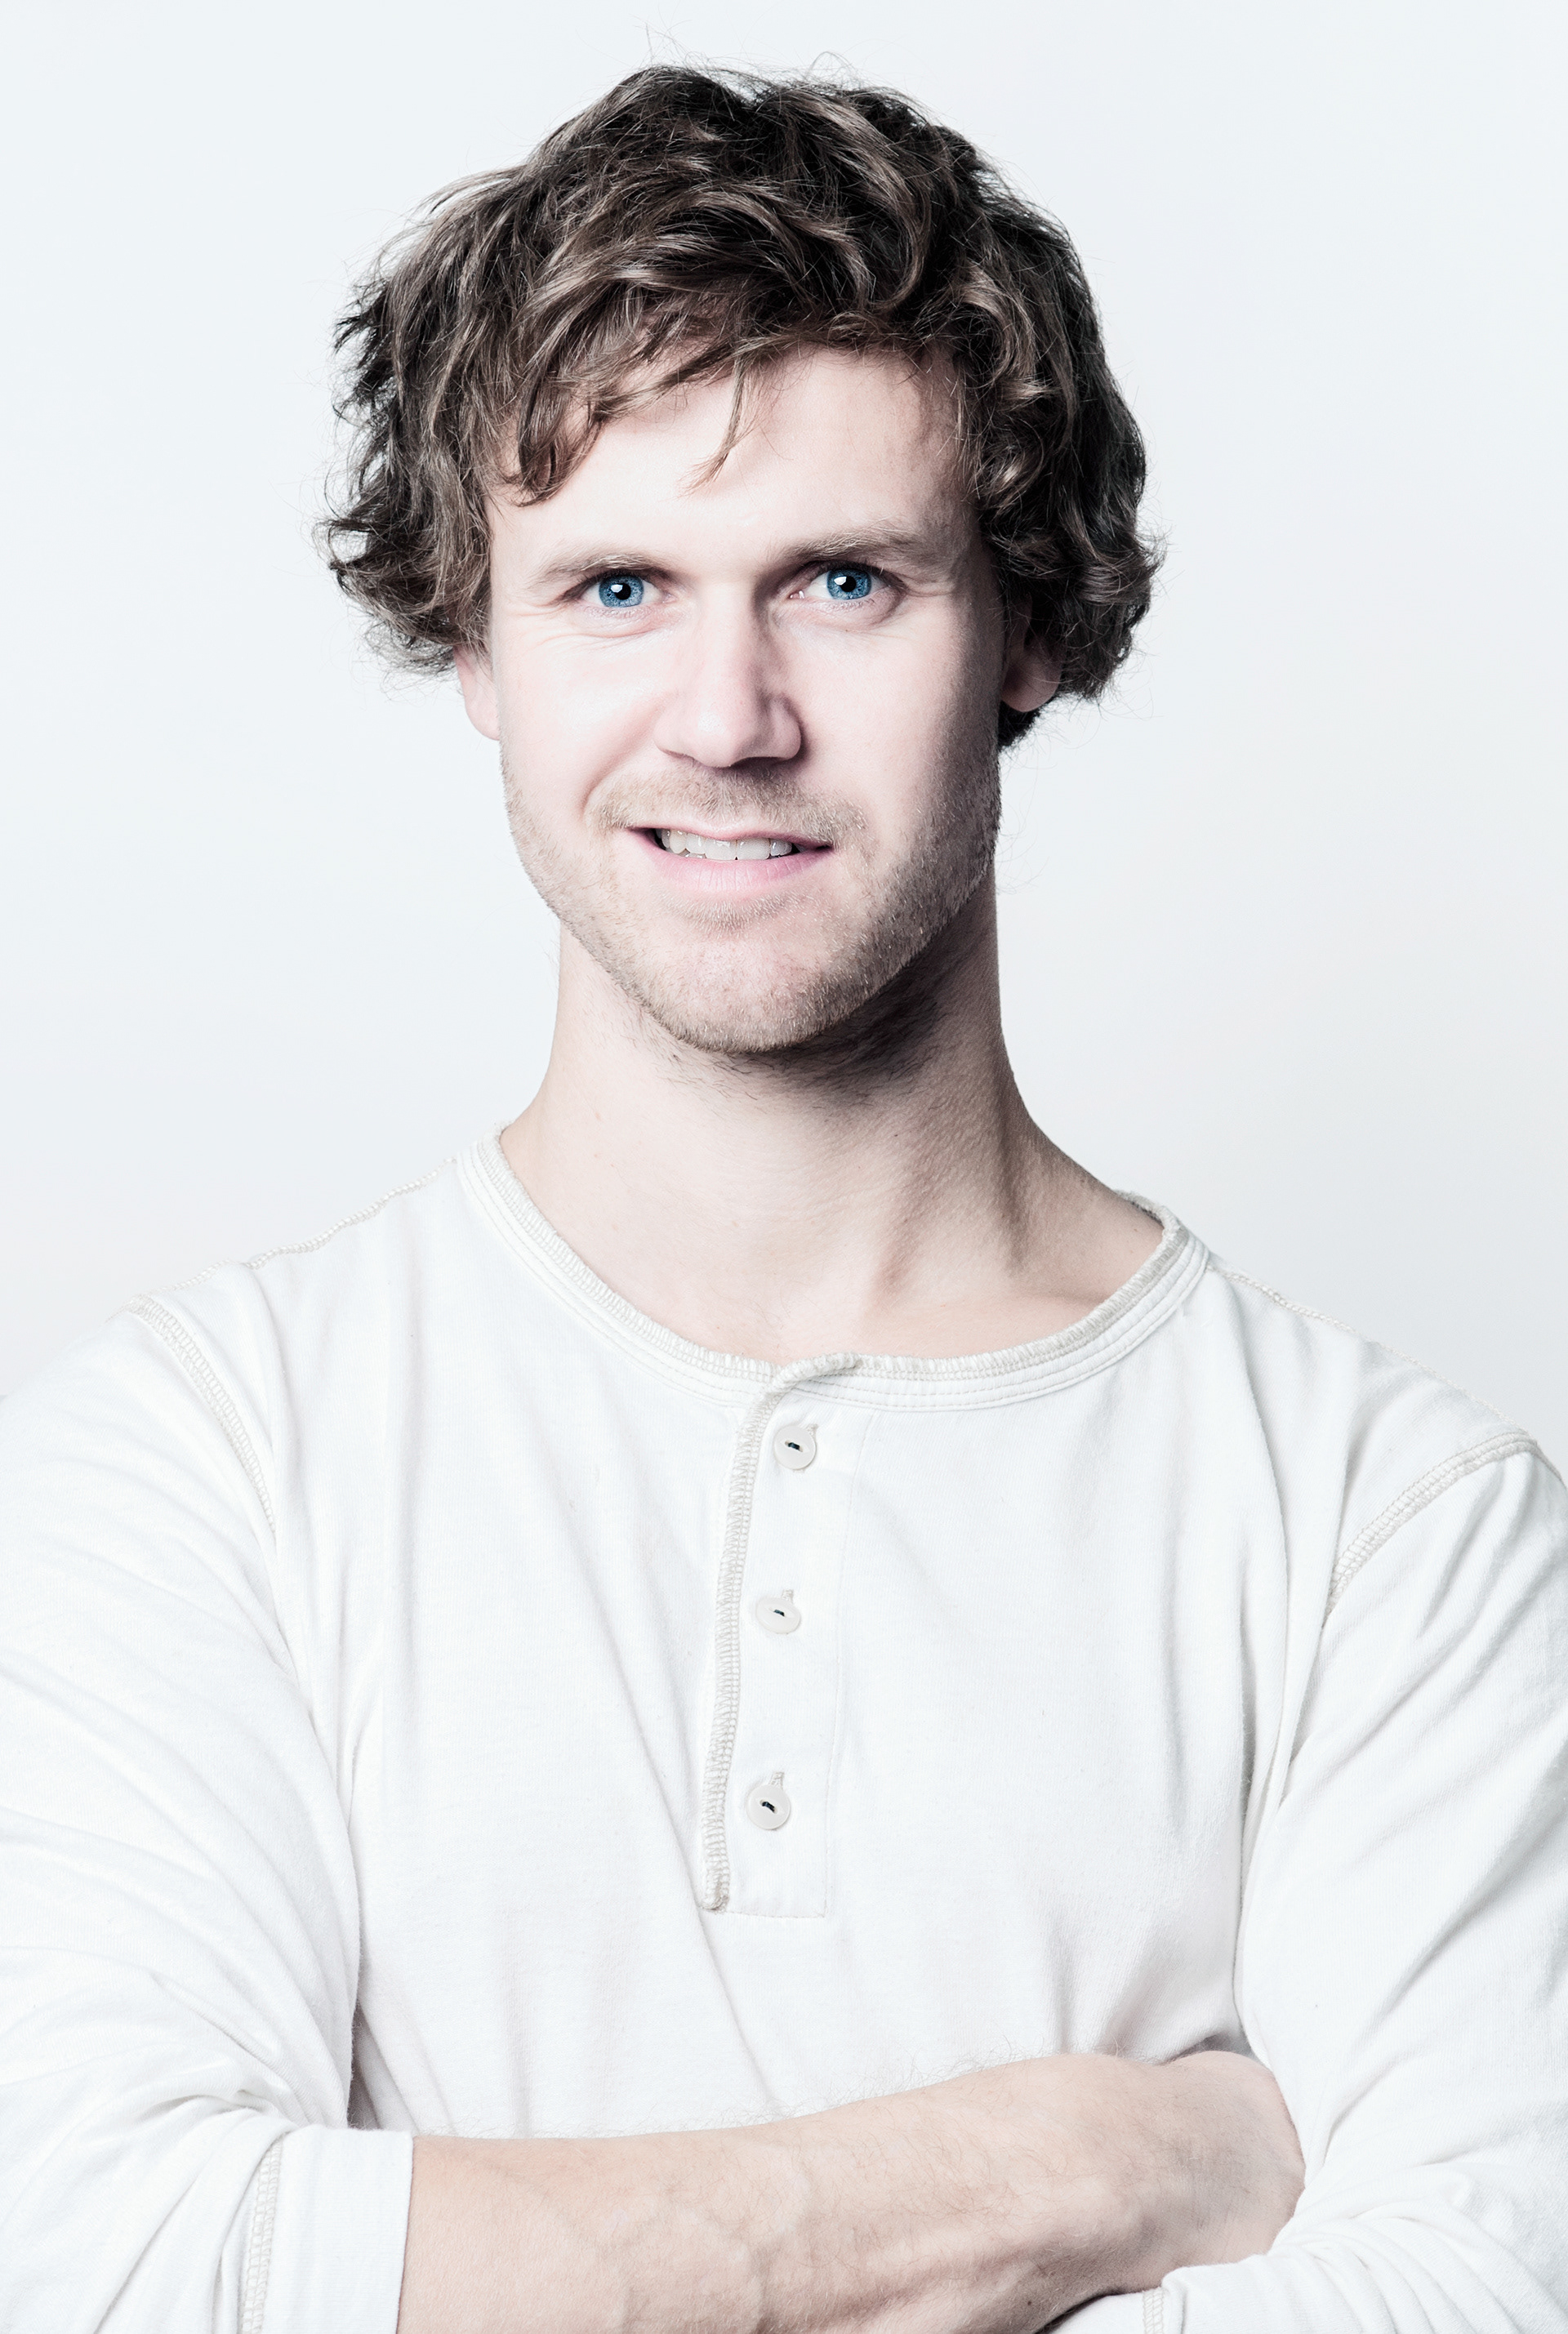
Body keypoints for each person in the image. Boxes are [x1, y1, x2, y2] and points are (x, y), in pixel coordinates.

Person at [2, 62, 1565, 2334]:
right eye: (617, 586)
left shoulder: (1393, 1531)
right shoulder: (195, 1461)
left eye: (845, 581)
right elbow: (111, 2261)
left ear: (1026, 625)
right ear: (477, 645)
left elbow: (1468, 2301)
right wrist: (1087, 2167)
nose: (727, 717)